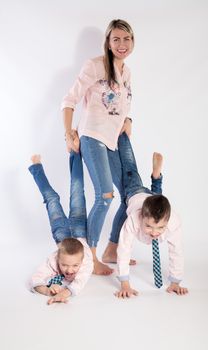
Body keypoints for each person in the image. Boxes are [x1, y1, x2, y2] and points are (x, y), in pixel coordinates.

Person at [61, 19, 135, 275]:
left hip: (113, 142)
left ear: (133, 42)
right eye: (116, 39)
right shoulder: (94, 65)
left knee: (129, 196)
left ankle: (112, 248)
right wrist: (69, 132)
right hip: (92, 137)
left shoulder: (126, 72)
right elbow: (69, 100)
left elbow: (122, 105)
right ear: (108, 42)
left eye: (126, 39)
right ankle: (90, 257)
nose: (122, 44)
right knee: (105, 196)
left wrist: (128, 119)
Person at [114, 133, 189, 298]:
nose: (154, 233)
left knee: (156, 198)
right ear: (142, 218)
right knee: (129, 168)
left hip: (152, 202)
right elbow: (124, 248)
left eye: (160, 227)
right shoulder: (134, 218)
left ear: (167, 221)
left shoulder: (172, 222)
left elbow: (176, 250)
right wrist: (124, 282)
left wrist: (176, 281)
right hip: (135, 192)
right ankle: (123, 135)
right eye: (148, 226)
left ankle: (156, 179)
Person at [28, 150, 93, 305]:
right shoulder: (54, 259)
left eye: (74, 265)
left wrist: (64, 293)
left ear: (81, 260)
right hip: (79, 228)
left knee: (52, 199)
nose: (69, 270)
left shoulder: (85, 263)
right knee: (77, 190)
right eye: (64, 265)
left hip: (61, 231)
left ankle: (73, 154)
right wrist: (46, 290)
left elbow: (79, 283)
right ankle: (71, 155)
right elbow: (36, 278)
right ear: (58, 257)